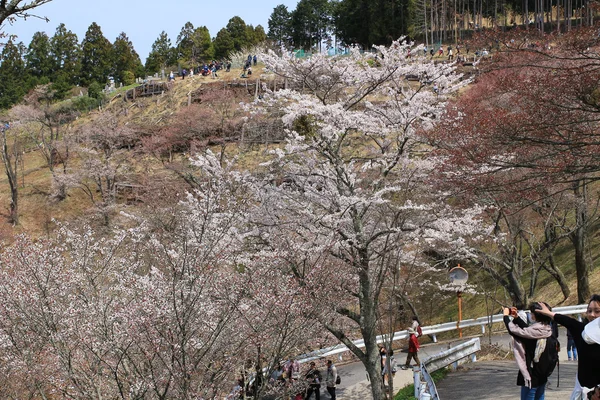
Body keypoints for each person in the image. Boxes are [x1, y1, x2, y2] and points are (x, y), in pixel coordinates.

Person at [535, 296, 600, 400]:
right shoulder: (582, 330)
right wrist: (548, 313)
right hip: (584, 389)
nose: (592, 315)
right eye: (589, 311)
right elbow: (567, 321)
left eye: (597, 311)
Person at [503, 303, 558, 400]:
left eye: (531, 313)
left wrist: (505, 316)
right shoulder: (549, 330)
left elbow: (515, 331)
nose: (530, 314)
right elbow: (527, 330)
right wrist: (516, 318)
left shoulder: (532, 334)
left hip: (531, 376)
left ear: (535, 315)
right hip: (543, 375)